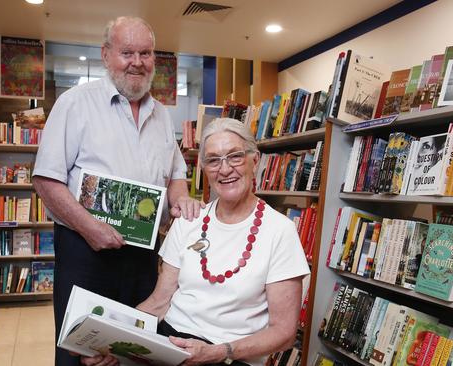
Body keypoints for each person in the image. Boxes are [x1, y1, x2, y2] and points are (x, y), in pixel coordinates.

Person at [32, 16, 203, 366]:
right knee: (81, 351)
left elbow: (175, 175)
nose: (137, 62)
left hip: (142, 256)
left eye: (146, 53)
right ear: (106, 54)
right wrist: (90, 228)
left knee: (135, 349)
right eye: (127, 52)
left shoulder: (162, 116)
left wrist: (181, 197)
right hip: (85, 252)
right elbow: (46, 180)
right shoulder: (75, 103)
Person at [81, 118, 310, 366]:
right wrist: (107, 340)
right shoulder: (189, 220)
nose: (224, 169)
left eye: (235, 156)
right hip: (168, 345)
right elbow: (158, 303)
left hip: (231, 355)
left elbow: (284, 333)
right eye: (213, 160)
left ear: (255, 161)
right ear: (204, 168)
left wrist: (219, 352)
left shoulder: (280, 231)